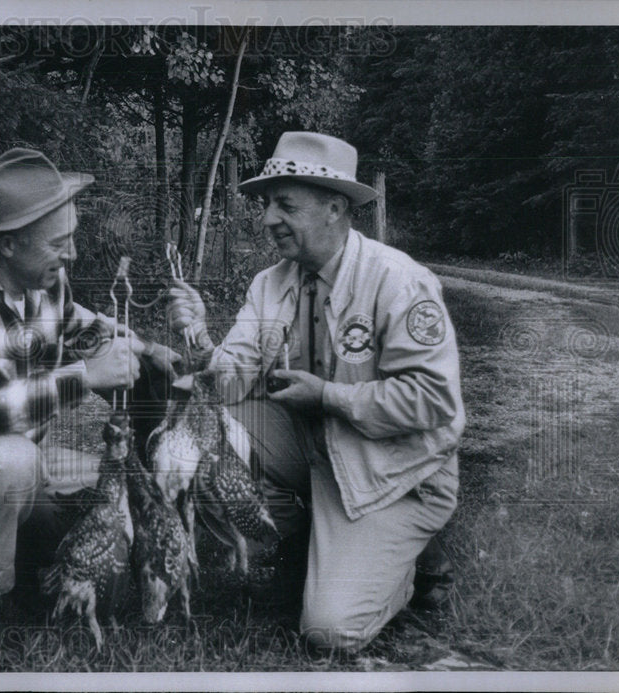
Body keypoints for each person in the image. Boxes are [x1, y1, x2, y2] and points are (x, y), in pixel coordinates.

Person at [167, 132, 464, 652]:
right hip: (317, 451)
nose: (267, 220)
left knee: (328, 632)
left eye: (285, 205)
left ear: (333, 208)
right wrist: (197, 337)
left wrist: (328, 396)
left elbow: (434, 401)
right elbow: (233, 378)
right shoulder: (269, 283)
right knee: (197, 443)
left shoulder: (399, 281)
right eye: (266, 205)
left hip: (396, 467)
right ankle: (316, 545)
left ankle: (407, 562)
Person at [0, 148, 179, 654]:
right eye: (59, 244)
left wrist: (150, 351)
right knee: (9, 459)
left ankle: (29, 563)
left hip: (30, 465)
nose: (73, 256)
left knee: (117, 483)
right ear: (10, 243)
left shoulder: (46, 285)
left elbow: (93, 329)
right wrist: (82, 377)